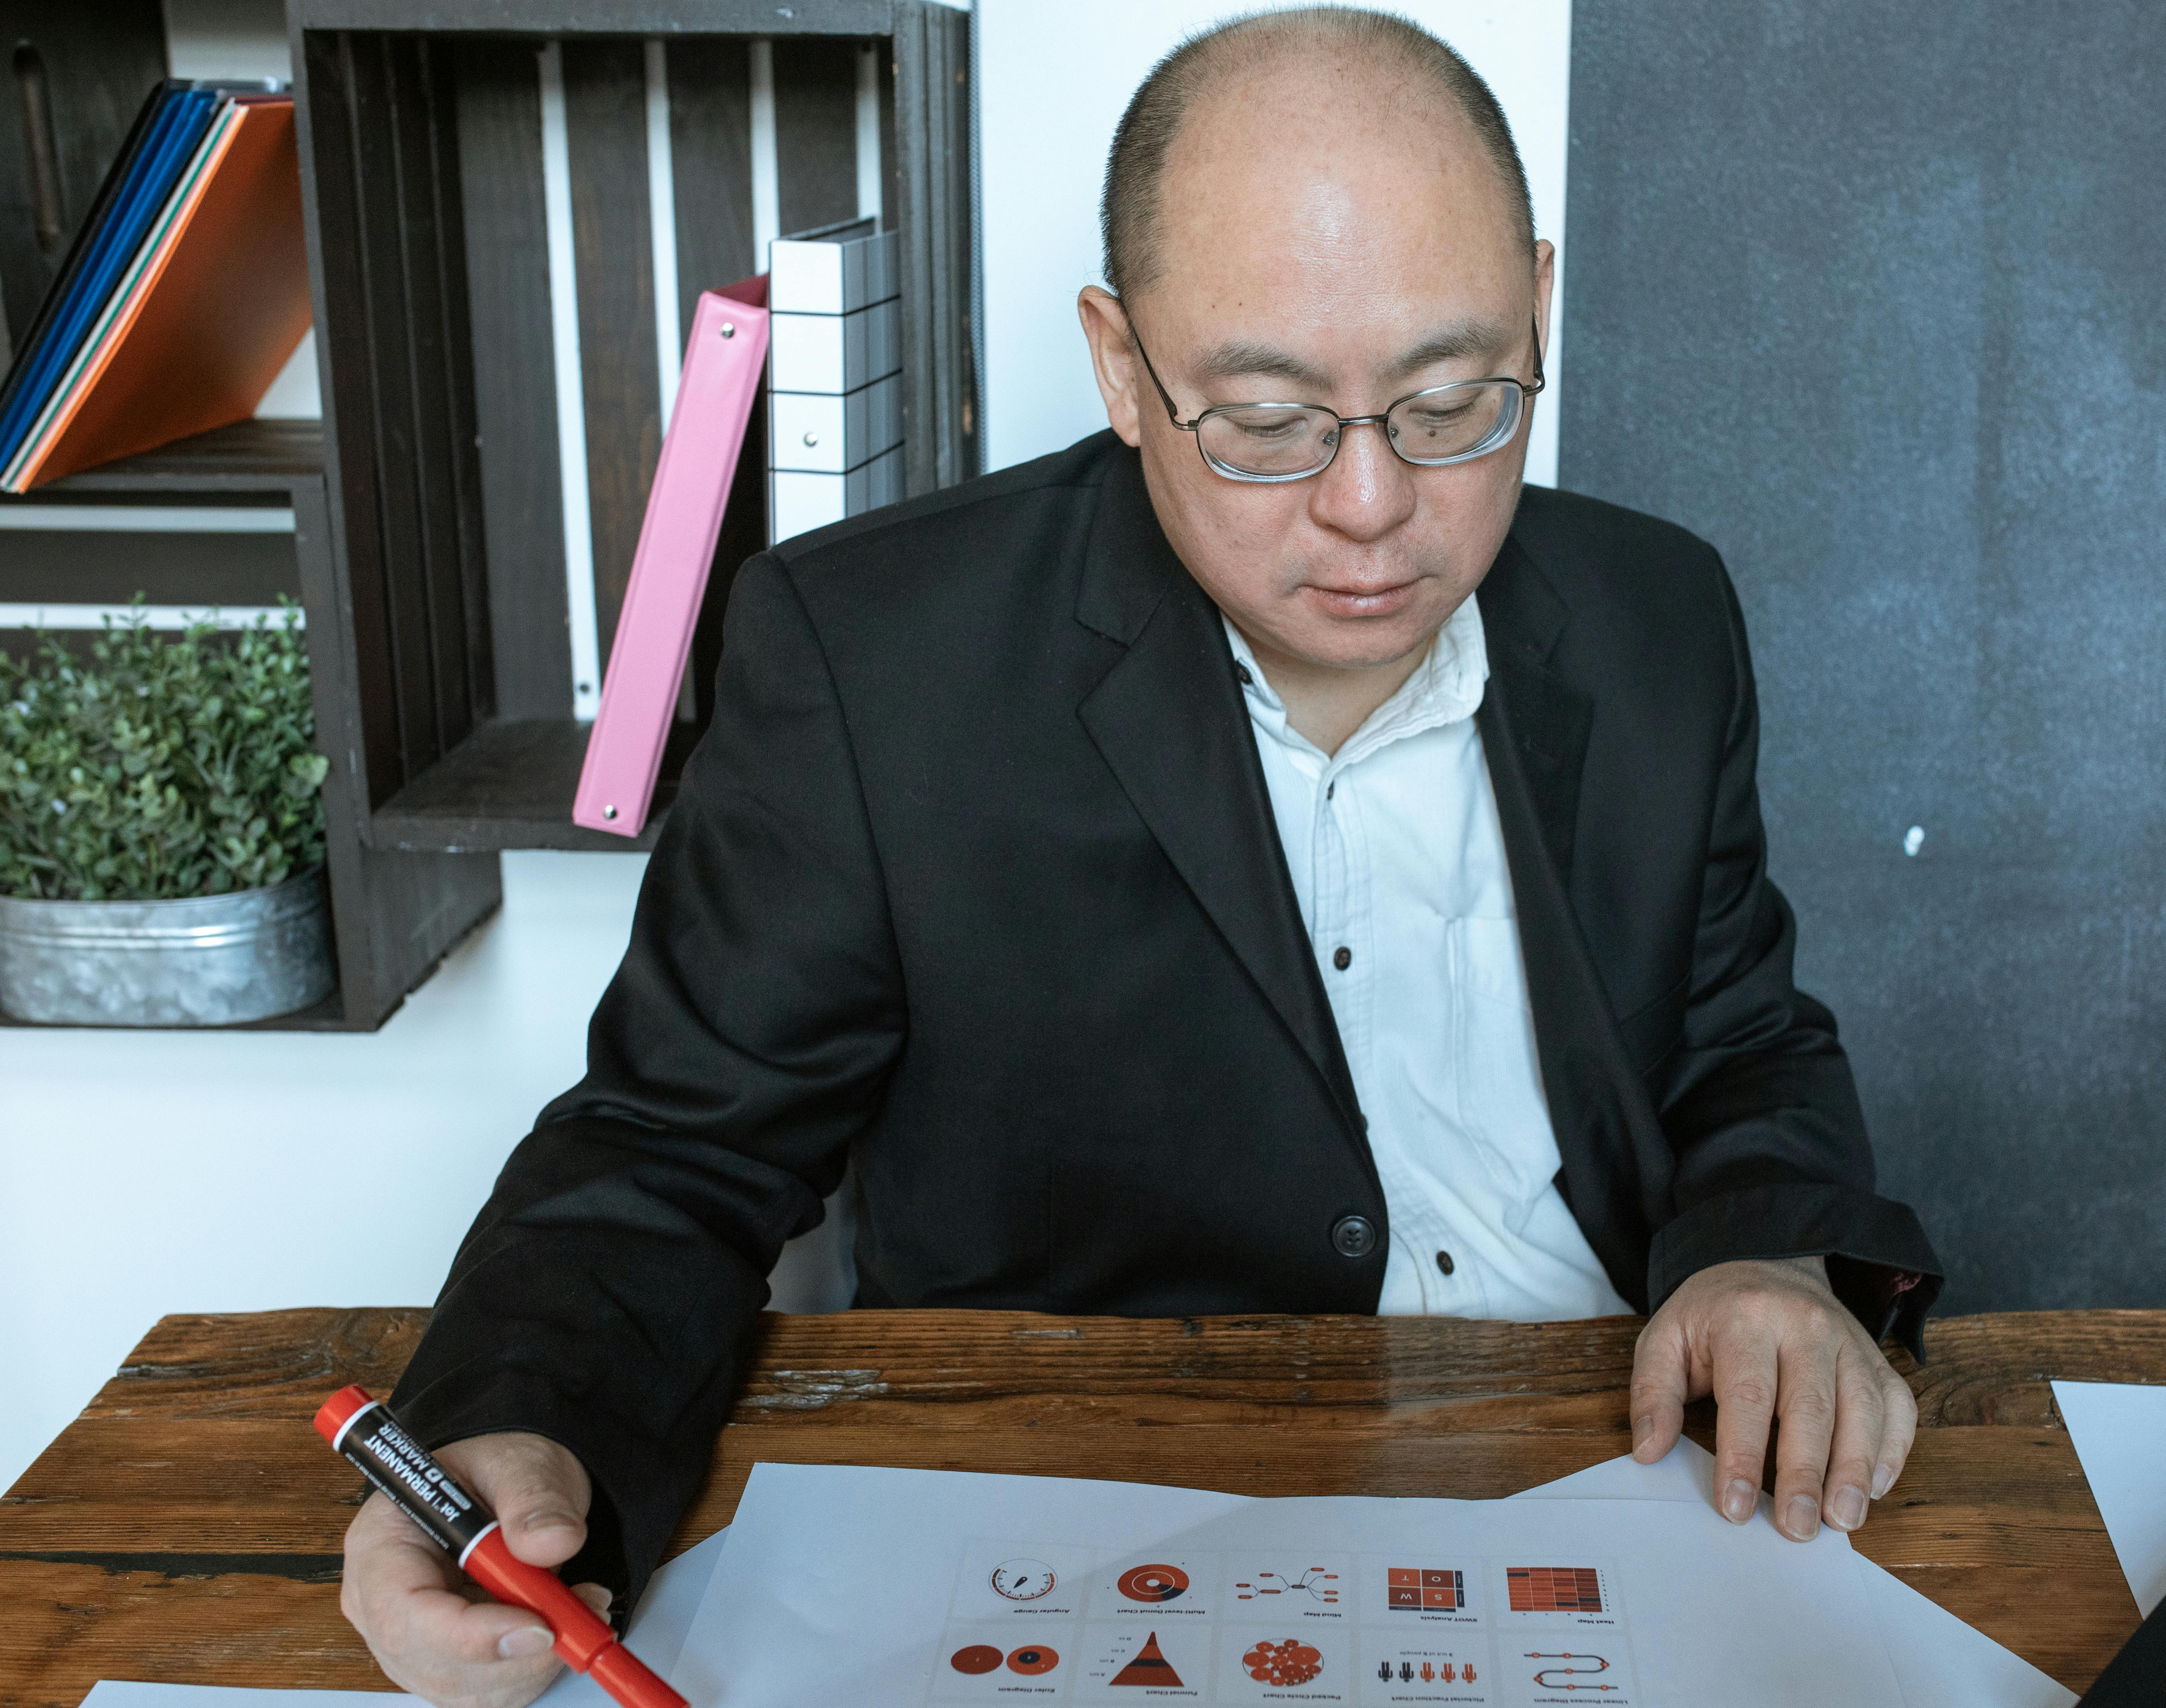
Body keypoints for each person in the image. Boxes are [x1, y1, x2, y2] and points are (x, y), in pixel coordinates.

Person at [341, 10, 1942, 1705]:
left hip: (1616, 1503)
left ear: (1538, 305)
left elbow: (1741, 1038)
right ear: (1120, 362)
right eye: (1265, 420)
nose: (1372, 503)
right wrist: (520, 1430)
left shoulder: (1656, 613)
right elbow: (669, 1153)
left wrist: (1770, 1252)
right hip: (1110, 1549)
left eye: (1453, 399)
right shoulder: (875, 661)